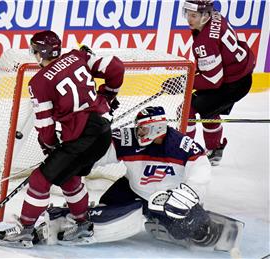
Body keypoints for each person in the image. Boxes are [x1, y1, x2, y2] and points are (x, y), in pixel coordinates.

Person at [0, 30, 125, 248]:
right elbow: (116, 67)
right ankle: (82, 225)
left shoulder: (38, 83)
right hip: (102, 131)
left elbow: (45, 126)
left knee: (40, 179)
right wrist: (108, 95)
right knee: (68, 176)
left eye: (35, 50)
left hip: (83, 136)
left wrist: (49, 147)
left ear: (40, 53)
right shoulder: (78, 56)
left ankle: (25, 230)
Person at [94, 106, 221, 247]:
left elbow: (201, 165)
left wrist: (189, 193)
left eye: (143, 129)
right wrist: (79, 165)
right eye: (139, 128)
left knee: (199, 231)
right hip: (132, 189)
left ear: (158, 128)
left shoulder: (180, 145)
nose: (139, 133)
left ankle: (184, 222)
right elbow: (100, 153)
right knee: (104, 210)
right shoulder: (128, 139)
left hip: (166, 198)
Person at [182, 0, 255, 166]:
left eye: (193, 15)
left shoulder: (204, 42)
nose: (189, 19)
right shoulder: (216, 16)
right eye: (187, 14)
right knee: (208, 108)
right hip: (239, 75)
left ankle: (182, 152)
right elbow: (214, 64)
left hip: (233, 85)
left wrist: (185, 82)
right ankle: (214, 150)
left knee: (188, 109)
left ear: (205, 15)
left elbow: (213, 80)